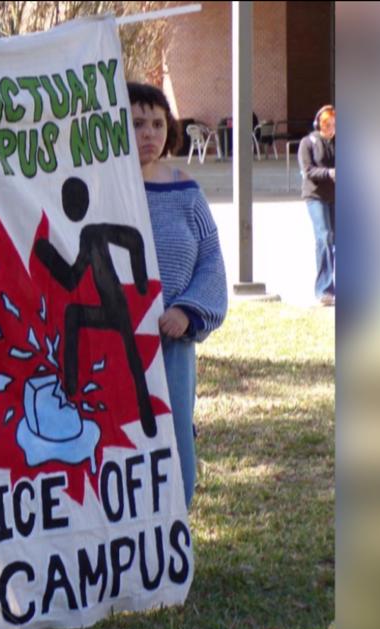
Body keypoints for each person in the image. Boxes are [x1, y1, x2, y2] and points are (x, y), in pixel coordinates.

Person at [127, 82, 228, 509]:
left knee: (174, 441)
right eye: (135, 124)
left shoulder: (185, 190)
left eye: (156, 123)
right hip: (113, 347)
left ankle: (171, 544)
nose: (149, 133)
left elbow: (211, 260)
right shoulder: (99, 189)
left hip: (171, 347)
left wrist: (187, 311)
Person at [299, 105, 336, 306]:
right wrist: (329, 173)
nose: (331, 129)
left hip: (336, 196)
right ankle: (324, 289)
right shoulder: (309, 142)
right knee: (324, 237)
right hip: (315, 196)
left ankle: (333, 284)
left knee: (336, 240)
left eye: (334, 125)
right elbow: (308, 170)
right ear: (319, 124)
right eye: (327, 125)